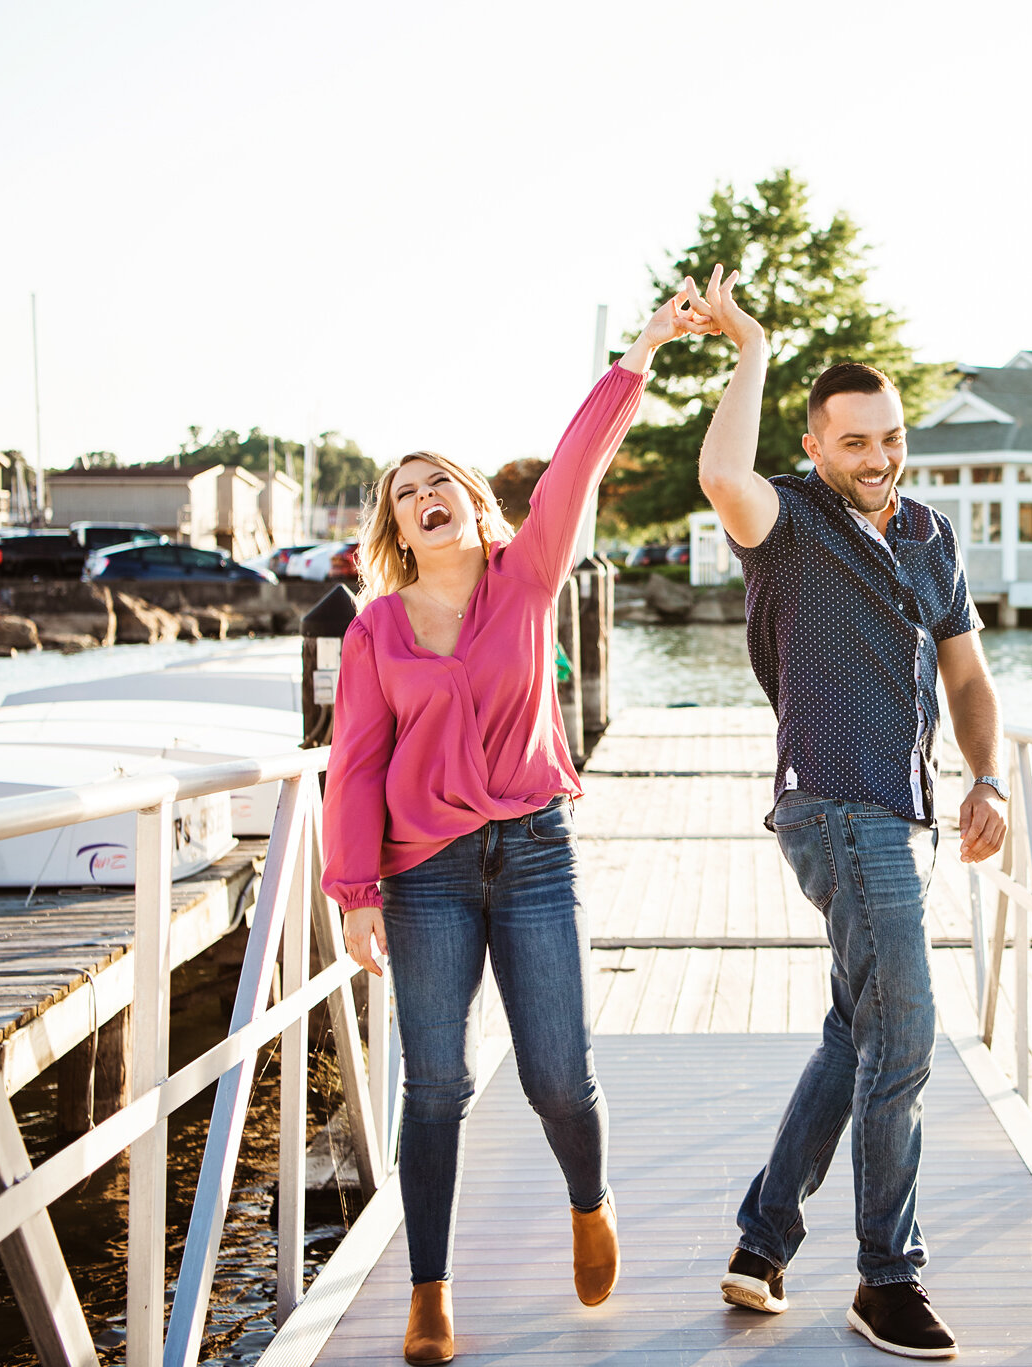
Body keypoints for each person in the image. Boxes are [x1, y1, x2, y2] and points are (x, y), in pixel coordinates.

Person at [323, 280, 714, 1365]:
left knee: (555, 1076)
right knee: (435, 1082)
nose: (424, 495)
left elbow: (577, 460)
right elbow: (351, 767)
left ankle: (590, 1198)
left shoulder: (526, 575)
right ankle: (428, 1291)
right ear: (395, 529)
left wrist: (639, 349)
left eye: (438, 478)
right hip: (425, 875)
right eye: (406, 493)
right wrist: (351, 892)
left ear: (471, 500)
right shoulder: (377, 633)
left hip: (535, 854)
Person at [690, 266, 1009, 1359]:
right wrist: (749, 347)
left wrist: (987, 776)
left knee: (855, 1028)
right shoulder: (782, 517)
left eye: (890, 436)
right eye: (855, 442)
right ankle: (887, 1277)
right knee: (904, 1036)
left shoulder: (928, 531)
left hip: (908, 810)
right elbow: (719, 468)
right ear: (817, 447)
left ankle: (761, 1242)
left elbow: (966, 675)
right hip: (833, 805)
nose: (878, 459)